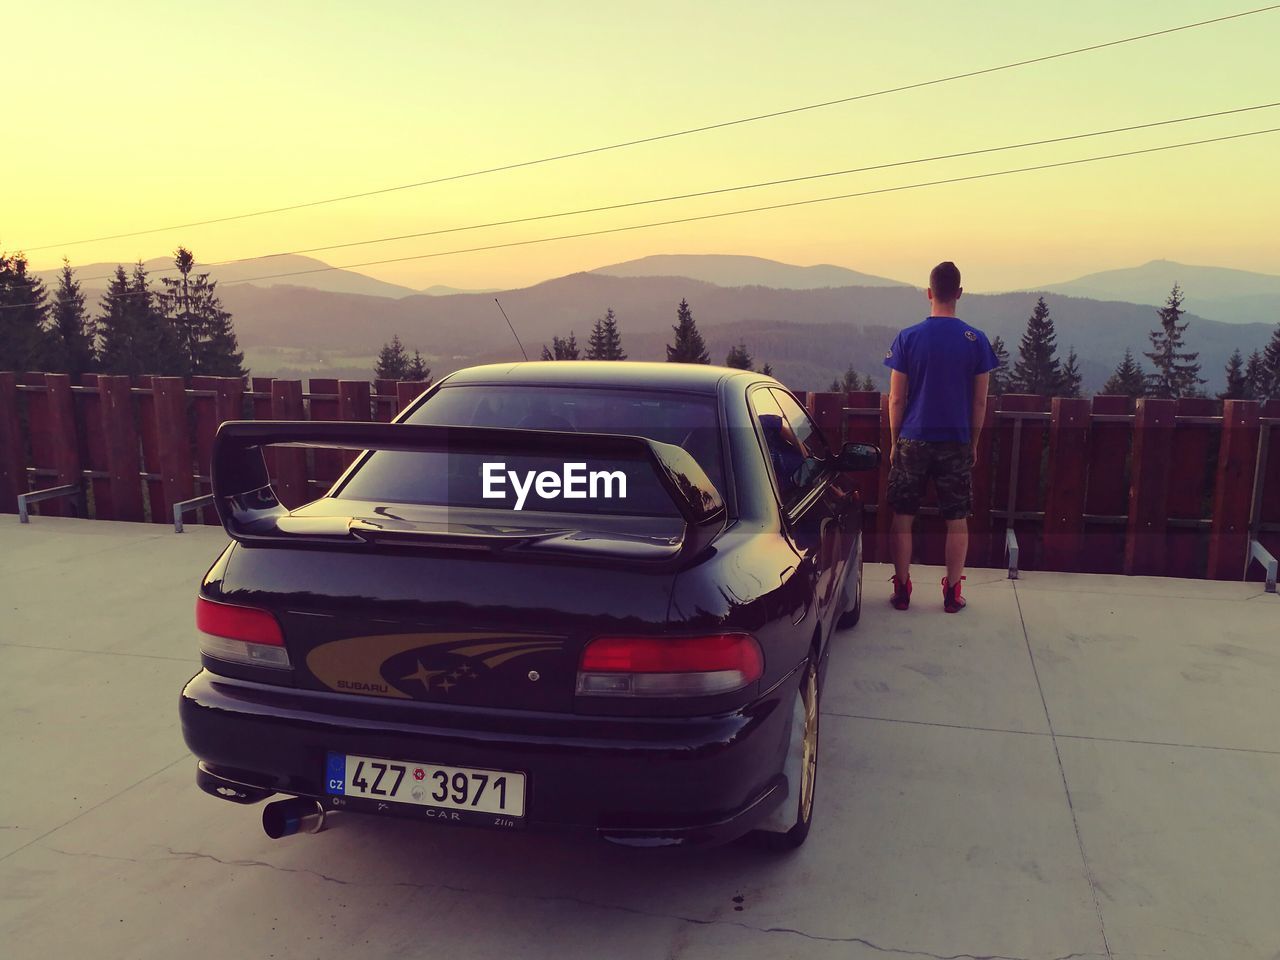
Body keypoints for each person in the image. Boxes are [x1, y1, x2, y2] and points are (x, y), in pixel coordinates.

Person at [882, 261, 999, 613]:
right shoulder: (975, 340)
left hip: (913, 438)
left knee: (903, 515)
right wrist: (973, 442)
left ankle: (902, 588)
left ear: (929, 293)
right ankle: (952, 593)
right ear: (959, 294)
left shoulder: (907, 338)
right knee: (956, 517)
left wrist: (894, 441)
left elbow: (896, 398)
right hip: (956, 440)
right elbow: (979, 401)